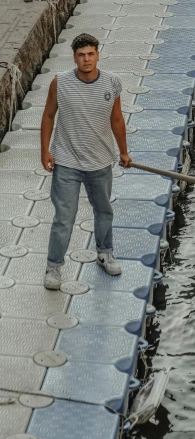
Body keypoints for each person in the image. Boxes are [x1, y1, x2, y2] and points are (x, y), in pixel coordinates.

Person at [40, 33, 131, 291]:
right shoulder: (60, 83)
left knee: (104, 211)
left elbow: (116, 119)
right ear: (74, 57)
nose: (86, 59)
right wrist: (45, 151)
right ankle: (54, 267)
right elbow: (48, 116)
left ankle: (105, 253)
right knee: (64, 217)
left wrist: (124, 152)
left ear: (98, 55)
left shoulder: (112, 83)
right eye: (81, 55)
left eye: (91, 54)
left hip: (100, 162)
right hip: (67, 162)